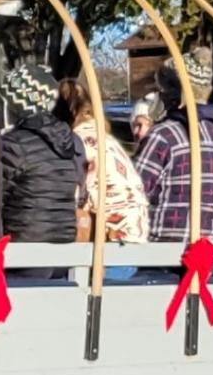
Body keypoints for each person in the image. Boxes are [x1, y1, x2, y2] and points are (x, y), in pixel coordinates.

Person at [56, 79, 151, 280]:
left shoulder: (78, 142)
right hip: (133, 236)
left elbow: (74, 195)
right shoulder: (107, 140)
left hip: (110, 244)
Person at [0, 65, 86, 279]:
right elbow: (80, 192)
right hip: (64, 244)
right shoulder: (71, 141)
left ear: (16, 104)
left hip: (24, 248)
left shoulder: (14, 144)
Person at [135, 62, 213, 243]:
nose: (159, 97)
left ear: (175, 94)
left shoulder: (164, 136)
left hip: (168, 250)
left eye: (161, 91)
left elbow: (134, 192)